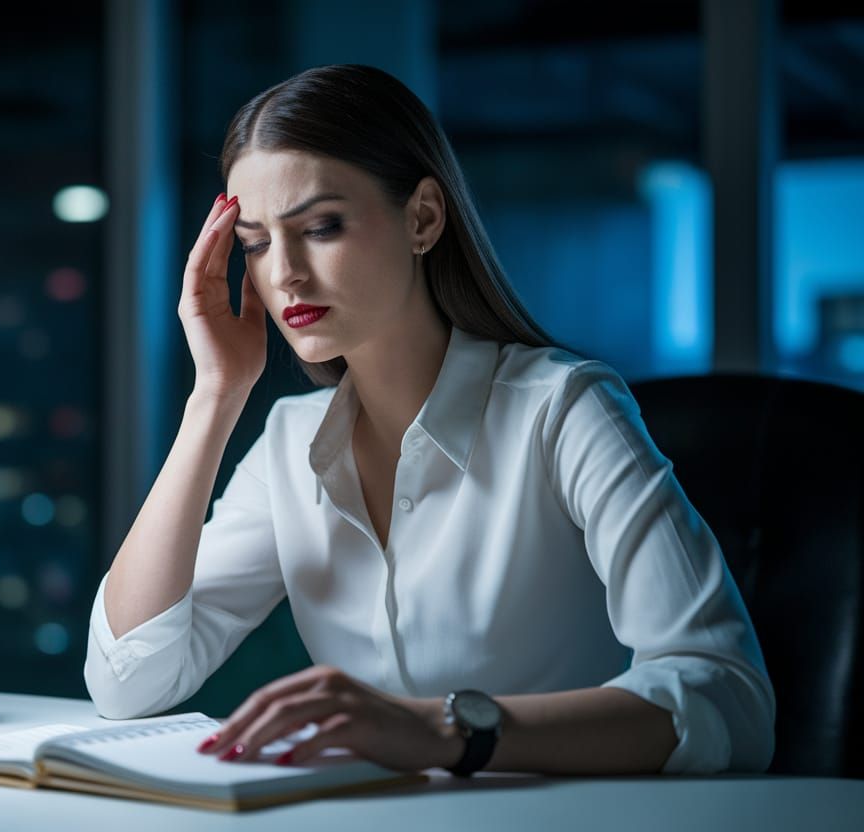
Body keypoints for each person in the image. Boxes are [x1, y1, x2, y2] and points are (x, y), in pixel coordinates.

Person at [83, 64, 775, 777]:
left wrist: (450, 731)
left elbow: (726, 700)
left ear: (422, 218)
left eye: (320, 226)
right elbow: (128, 681)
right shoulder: (290, 442)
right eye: (255, 243)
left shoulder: (562, 408)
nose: (283, 271)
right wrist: (215, 398)